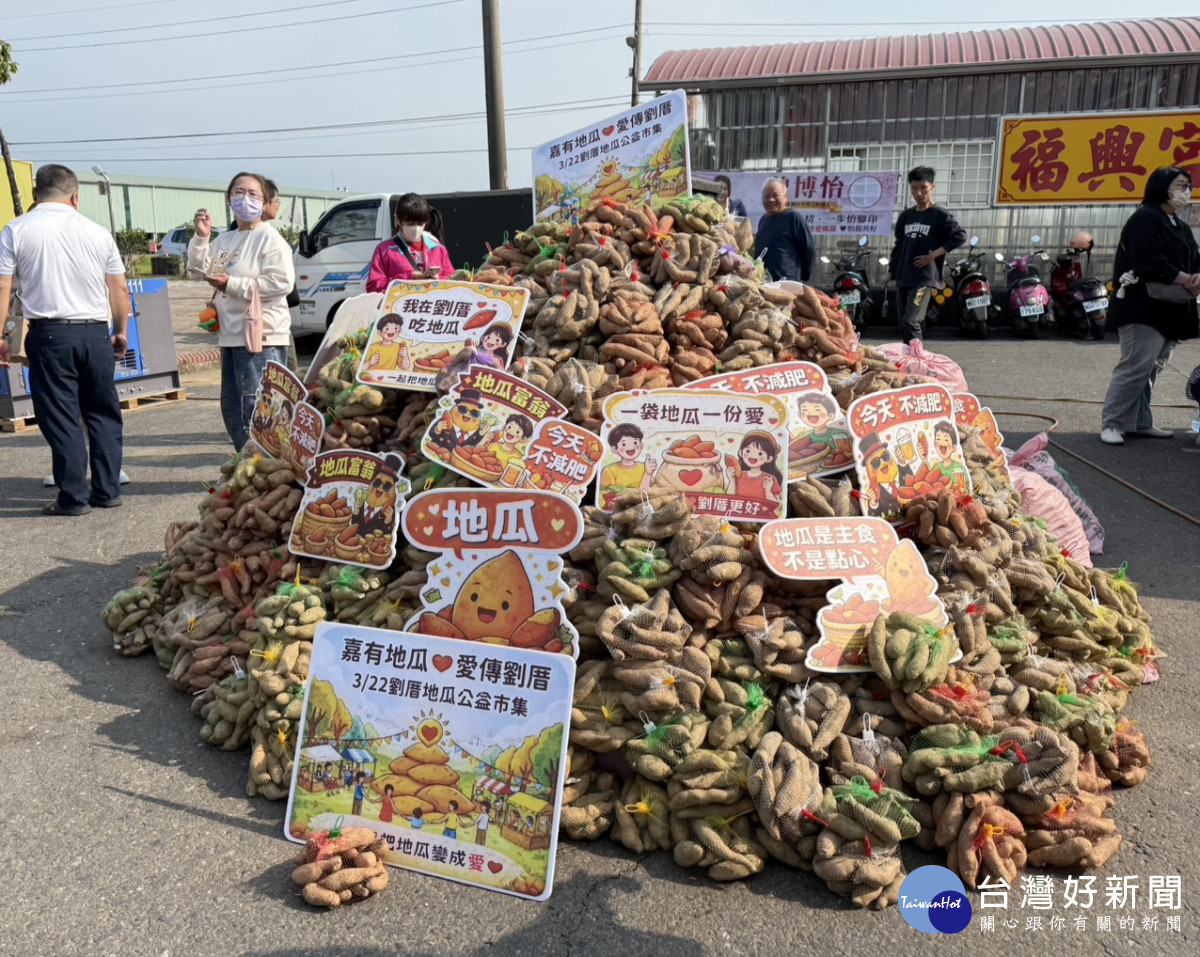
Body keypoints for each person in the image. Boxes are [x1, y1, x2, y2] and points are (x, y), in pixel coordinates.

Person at [0, 164, 130, 515]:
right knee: (103, 413)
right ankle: (107, 491)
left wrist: (2, 336)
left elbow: (3, 287)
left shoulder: (16, 230)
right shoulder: (98, 231)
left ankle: (73, 498)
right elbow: (117, 288)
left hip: (50, 335)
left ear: (35, 195)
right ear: (76, 196)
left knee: (61, 415)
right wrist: (120, 330)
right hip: (95, 333)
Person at [188, 172, 296, 451]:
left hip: (261, 337)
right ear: (229, 199)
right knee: (234, 408)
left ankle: (265, 465)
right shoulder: (225, 240)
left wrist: (233, 284)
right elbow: (197, 272)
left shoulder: (270, 239)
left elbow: (281, 283)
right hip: (231, 334)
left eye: (252, 194)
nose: (244, 199)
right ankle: (246, 463)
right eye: (238, 192)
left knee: (258, 407)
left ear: (263, 202)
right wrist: (201, 239)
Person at [1100, 167, 1200, 446]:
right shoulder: (1145, 219)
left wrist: (1197, 277)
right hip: (1142, 307)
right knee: (1135, 366)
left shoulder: (1178, 224)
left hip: (1170, 308)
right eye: (1180, 185)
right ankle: (1112, 422)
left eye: (1188, 186)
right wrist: (1186, 279)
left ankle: (1139, 422)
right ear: (1161, 187)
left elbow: (1194, 257)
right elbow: (1148, 261)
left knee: (1150, 368)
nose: (1186, 191)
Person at [884, 166, 967, 342]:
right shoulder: (906, 216)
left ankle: (917, 360)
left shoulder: (940, 215)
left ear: (932, 187)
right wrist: (891, 272)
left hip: (923, 279)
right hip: (904, 277)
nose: (919, 193)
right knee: (903, 324)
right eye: (914, 188)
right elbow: (899, 247)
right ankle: (909, 360)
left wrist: (933, 255)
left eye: (923, 188)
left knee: (911, 321)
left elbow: (960, 236)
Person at [366, 192, 454, 292]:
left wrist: (438, 281)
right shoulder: (384, 251)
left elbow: (452, 282)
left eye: (420, 224)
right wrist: (408, 278)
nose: (416, 228)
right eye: (410, 223)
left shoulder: (439, 250)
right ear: (398, 220)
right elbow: (373, 286)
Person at [753, 178, 815, 282]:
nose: (771, 200)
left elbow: (808, 249)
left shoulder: (793, 218)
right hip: (764, 282)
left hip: (786, 282)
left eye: (775, 195)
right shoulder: (763, 220)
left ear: (785, 197)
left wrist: (804, 275)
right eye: (766, 196)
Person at [729, 431, 784, 505]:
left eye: (760, 453)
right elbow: (729, 498)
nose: (753, 455)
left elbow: (776, 505)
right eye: (748, 451)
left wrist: (768, 491)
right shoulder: (738, 475)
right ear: (741, 452)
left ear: (769, 458)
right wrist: (732, 479)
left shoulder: (770, 479)